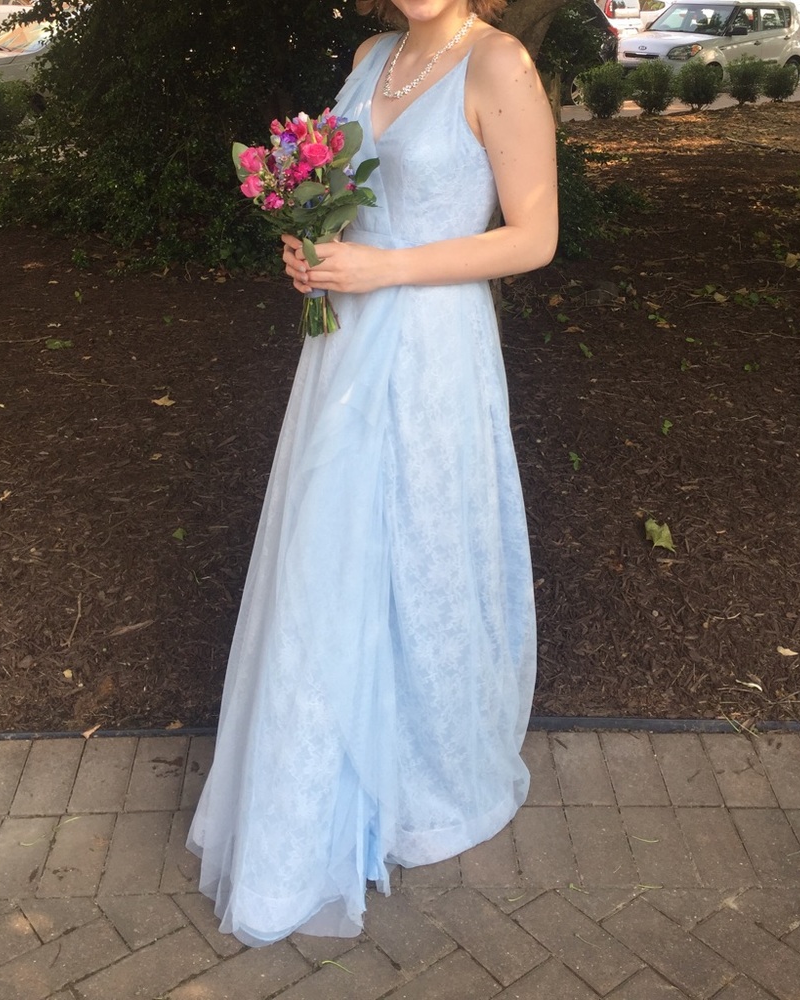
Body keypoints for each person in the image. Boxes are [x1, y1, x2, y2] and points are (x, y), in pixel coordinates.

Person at [187, 0, 558, 946]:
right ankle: (324, 761)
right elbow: (349, 192)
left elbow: (533, 238)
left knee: (421, 541)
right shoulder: (371, 55)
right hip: (345, 343)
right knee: (329, 543)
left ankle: (425, 778)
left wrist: (382, 270)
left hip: (433, 348)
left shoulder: (500, 64)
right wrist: (309, 249)